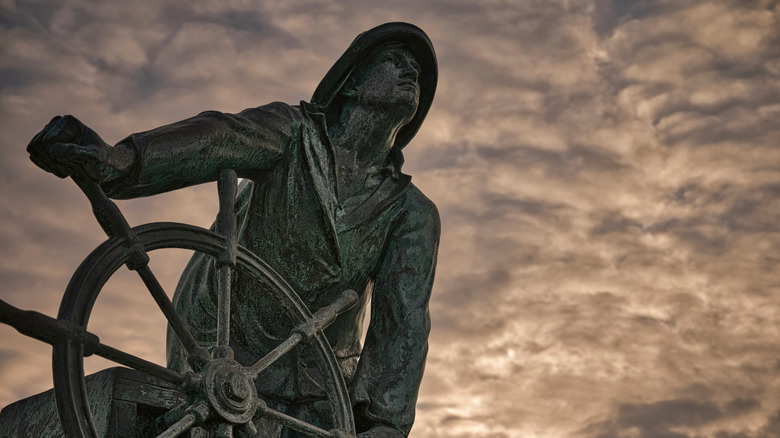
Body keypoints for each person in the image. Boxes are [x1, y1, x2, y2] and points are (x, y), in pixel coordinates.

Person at [27, 22, 439, 438]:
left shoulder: (411, 213)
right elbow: (217, 138)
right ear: (350, 84)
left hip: (320, 389)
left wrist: (385, 424)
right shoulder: (293, 134)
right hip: (218, 351)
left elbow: (403, 325)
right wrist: (123, 161)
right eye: (393, 61)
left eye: (416, 72)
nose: (411, 74)